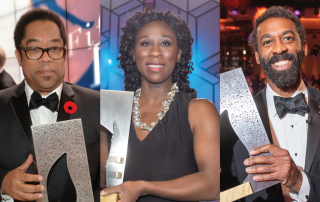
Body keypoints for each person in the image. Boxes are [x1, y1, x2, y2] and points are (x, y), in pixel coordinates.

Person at [100, 10, 220, 202]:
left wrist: (143, 187)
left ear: (179, 54)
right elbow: (102, 181)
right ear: (133, 53)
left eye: (165, 43)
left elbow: (212, 185)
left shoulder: (200, 111)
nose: (155, 52)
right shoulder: (112, 110)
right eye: (145, 43)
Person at [221, 6, 320, 202]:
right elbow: (225, 193)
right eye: (267, 42)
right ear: (257, 55)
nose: (279, 48)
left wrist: (300, 181)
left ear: (305, 47)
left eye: (288, 38)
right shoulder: (234, 117)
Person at [0, 9, 99, 202]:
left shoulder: (97, 105)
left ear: (64, 53)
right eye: (34, 49)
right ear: (19, 56)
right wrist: (2, 181)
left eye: (54, 48)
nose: (46, 58)